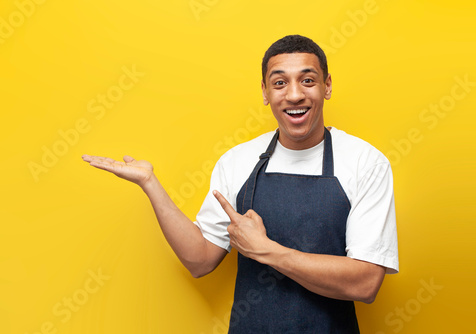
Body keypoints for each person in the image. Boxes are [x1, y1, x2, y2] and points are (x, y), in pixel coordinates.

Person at [82, 34, 398, 333]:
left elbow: (365, 283)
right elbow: (200, 260)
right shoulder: (238, 161)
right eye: (279, 83)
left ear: (326, 86)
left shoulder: (365, 163)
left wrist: (267, 251)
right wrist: (150, 184)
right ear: (265, 92)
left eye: (308, 80)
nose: (294, 94)